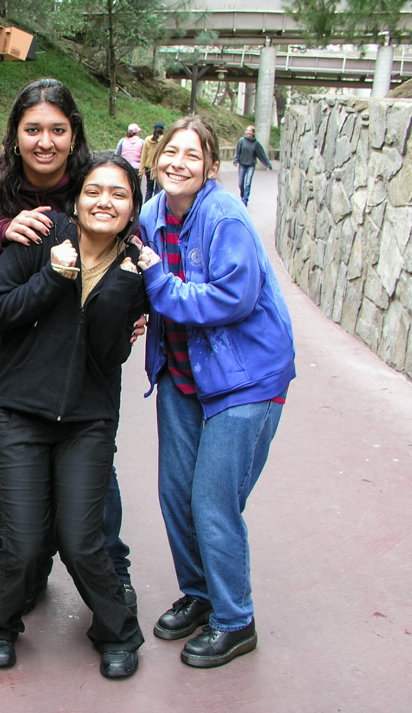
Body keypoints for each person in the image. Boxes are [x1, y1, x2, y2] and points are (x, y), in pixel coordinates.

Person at [0, 152, 147, 677]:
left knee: (81, 539)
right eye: (95, 190)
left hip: (88, 421)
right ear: (77, 197)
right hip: (17, 414)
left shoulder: (135, 269)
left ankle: (117, 631)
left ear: (133, 207)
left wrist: (119, 291)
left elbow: (106, 356)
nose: (105, 201)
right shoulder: (45, 234)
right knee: (24, 542)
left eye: (119, 194)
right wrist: (52, 277)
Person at [137, 115, 295, 669]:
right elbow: (138, 277)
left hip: (245, 377)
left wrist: (158, 286)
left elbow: (234, 297)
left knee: (212, 500)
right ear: (156, 158)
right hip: (182, 374)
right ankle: (201, 596)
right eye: (170, 152)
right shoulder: (152, 213)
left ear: (209, 167)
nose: (178, 162)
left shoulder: (225, 214)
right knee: (176, 494)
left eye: (192, 154)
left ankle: (236, 619)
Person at [232, 125, 272, 206]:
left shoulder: (256, 143)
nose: (248, 132)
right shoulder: (241, 141)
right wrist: (235, 160)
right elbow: (237, 151)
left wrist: (268, 164)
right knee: (240, 183)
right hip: (242, 164)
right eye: (247, 131)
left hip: (251, 165)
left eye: (250, 131)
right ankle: (242, 195)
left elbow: (262, 155)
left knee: (248, 183)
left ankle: (245, 199)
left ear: (253, 132)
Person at [140, 122, 164, 202]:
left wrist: (141, 169)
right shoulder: (164, 140)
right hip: (159, 166)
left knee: (149, 189)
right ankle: (156, 206)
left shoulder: (147, 140)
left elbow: (144, 155)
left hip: (148, 167)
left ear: (154, 129)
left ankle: (146, 206)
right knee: (158, 188)